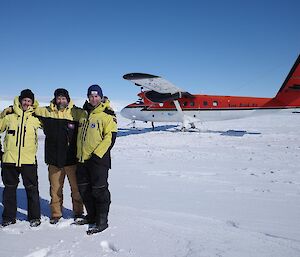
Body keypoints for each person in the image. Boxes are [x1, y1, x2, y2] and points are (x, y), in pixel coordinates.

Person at [34, 88, 84, 224]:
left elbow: (90, 113)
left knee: (76, 189)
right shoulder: (46, 112)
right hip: (53, 159)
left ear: (67, 99)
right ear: (55, 99)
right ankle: (56, 214)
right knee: (55, 189)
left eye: (63, 98)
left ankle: (78, 212)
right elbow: (30, 109)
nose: (61, 101)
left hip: (71, 159)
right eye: (58, 98)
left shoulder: (76, 113)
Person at [76, 85, 117, 235]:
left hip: (98, 161)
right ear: (88, 97)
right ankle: (91, 217)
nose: (94, 99)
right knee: (85, 190)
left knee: (99, 191)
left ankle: (102, 221)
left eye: (96, 96)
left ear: (101, 97)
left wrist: (97, 155)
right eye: (91, 96)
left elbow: (110, 138)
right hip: (82, 160)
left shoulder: (107, 114)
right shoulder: (82, 114)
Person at [0, 89, 41, 227]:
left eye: (29, 101)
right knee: (9, 189)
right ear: (20, 101)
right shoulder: (10, 117)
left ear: (32, 103)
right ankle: (8, 217)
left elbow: (51, 128)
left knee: (32, 189)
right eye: (24, 100)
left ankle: (34, 217)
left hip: (28, 160)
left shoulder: (36, 118)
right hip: (9, 160)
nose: (26, 103)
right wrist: (3, 112)